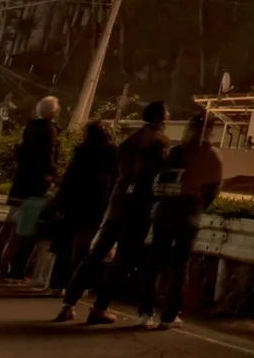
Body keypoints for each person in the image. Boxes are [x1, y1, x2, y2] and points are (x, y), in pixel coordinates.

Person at [56, 101, 170, 325]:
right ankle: (99, 308)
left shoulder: (130, 140)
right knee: (122, 260)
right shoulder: (161, 143)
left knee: (95, 254)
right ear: (162, 119)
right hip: (139, 206)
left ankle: (68, 304)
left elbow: (117, 173)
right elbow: (160, 178)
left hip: (118, 203)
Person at [142, 113, 224, 330]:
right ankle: (169, 316)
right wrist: (198, 206)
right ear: (211, 131)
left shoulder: (177, 151)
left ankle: (145, 311)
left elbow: (161, 179)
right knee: (180, 265)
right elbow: (212, 191)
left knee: (155, 261)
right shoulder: (213, 156)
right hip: (189, 212)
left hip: (166, 209)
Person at [0, 96, 62, 282]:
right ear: (54, 111)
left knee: (8, 225)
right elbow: (48, 157)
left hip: (20, 182)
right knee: (20, 229)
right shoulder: (49, 130)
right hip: (34, 186)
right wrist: (56, 175)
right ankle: (5, 269)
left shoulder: (31, 127)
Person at [48, 121, 118, 297]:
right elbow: (115, 178)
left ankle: (59, 284)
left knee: (66, 244)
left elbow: (69, 178)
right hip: (96, 203)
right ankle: (81, 284)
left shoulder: (82, 150)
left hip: (74, 202)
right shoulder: (110, 151)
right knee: (86, 247)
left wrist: (60, 202)